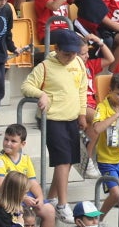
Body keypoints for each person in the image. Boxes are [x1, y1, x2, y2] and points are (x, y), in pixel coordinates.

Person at [22, 27, 90, 214]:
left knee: (68, 161)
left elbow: (82, 89)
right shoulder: (44, 67)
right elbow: (26, 86)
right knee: (62, 161)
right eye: (67, 53)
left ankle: (52, 196)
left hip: (72, 118)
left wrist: (82, 114)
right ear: (57, 49)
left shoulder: (78, 62)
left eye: (74, 53)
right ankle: (62, 204)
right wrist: (41, 94)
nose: (70, 57)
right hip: (53, 120)